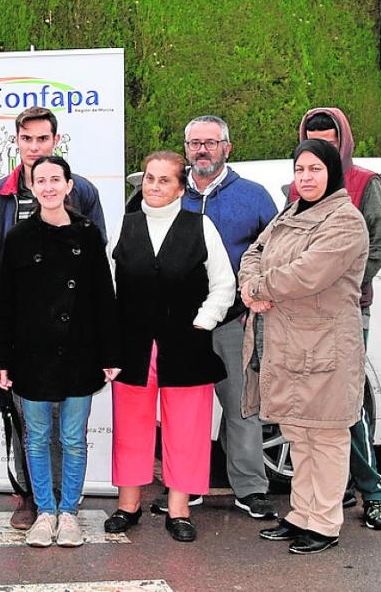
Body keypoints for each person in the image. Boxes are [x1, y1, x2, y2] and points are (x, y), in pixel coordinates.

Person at [239, 139, 369, 555]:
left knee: (326, 435)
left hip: (325, 346)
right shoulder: (291, 212)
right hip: (289, 342)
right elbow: (254, 253)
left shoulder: (345, 221)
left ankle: (325, 523)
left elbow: (308, 273)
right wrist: (250, 285)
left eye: (315, 169)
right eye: (300, 170)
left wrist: (259, 287)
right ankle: (301, 515)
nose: (306, 177)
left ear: (333, 172)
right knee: (298, 432)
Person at [0, 106, 109, 529]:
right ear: (17, 142)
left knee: (72, 437)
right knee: (32, 434)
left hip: (78, 345)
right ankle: (35, 503)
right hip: (28, 345)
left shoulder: (87, 215)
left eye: (43, 139)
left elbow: (100, 288)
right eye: (27, 139)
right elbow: (3, 286)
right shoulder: (2, 201)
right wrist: (0, 354)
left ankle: (67, 508)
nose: (35, 148)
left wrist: (109, 349)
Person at [105, 151, 235, 543]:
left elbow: (224, 284)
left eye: (164, 180)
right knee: (130, 429)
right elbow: (107, 287)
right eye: (149, 178)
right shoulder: (125, 226)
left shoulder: (201, 226)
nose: (155, 186)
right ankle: (128, 505)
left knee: (188, 430)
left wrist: (203, 321)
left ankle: (179, 509)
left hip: (188, 346)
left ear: (182, 187)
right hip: (133, 347)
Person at [158, 115, 279, 520]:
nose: (202, 150)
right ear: (186, 148)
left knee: (242, 406)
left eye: (211, 142)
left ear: (227, 147)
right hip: (179, 325)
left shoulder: (254, 196)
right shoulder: (171, 193)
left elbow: (275, 254)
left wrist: (256, 302)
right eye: (194, 143)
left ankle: (251, 488)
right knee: (183, 411)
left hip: (234, 322)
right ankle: (184, 486)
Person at [295, 107, 381, 531]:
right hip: (304, 317)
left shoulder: (363, 183)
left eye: (331, 142)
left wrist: (343, 287)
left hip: (350, 312)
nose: (324, 149)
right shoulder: (300, 188)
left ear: (344, 143)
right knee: (311, 410)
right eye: (315, 139)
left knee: (348, 406)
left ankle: (374, 494)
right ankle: (330, 496)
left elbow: (380, 245)